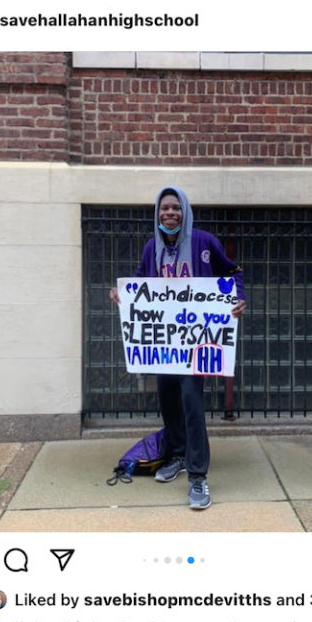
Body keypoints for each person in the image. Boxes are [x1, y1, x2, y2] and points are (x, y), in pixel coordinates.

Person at [110, 187, 245, 510]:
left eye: (175, 208)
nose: (169, 213)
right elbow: (142, 282)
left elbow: (232, 272)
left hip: (196, 342)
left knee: (191, 401)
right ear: (157, 213)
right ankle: (180, 455)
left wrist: (238, 297)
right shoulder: (150, 248)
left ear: (184, 211)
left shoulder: (204, 242)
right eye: (164, 208)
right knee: (167, 398)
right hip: (165, 343)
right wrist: (121, 293)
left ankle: (198, 476)